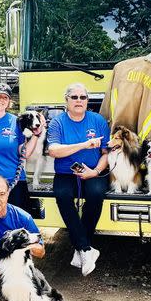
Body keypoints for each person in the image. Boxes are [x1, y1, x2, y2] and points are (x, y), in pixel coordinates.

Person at [47, 83, 109, 276]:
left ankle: (81, 248)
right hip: (66, 173)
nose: (79, 101)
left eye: (83, 97)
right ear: (66, 100)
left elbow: (106, 152)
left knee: (96, 193)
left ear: (87, 101)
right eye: (74, 97)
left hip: (93, 171)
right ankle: (87, 249)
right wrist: (83, 145)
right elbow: (54, 150)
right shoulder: (57, 122)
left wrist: (96, 171)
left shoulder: (98, 120)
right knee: (62, 195)